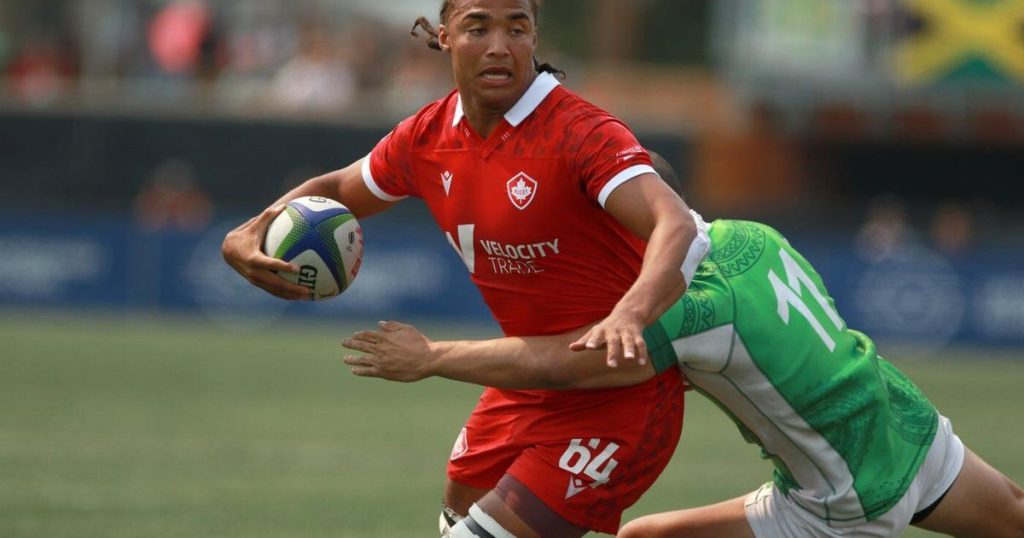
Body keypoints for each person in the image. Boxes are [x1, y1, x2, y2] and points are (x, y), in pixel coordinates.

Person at [222, 1, 711, 536]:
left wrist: (630, 314)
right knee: (456, 516)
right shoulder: (428, 136)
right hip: (523, 378)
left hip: (620, 395)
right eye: (478, 27)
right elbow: (340, 190)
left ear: (534, 38)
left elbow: (676, 223)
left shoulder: (582, 133)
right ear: (444, 37)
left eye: (516, 28)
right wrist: (255, 227)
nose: (499, 45)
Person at [341, 157, 1024, 537]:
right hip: (900, 418)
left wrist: (431, 358)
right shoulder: (752, 235)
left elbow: (557, 366)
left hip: (840, 498)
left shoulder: (685, 314)